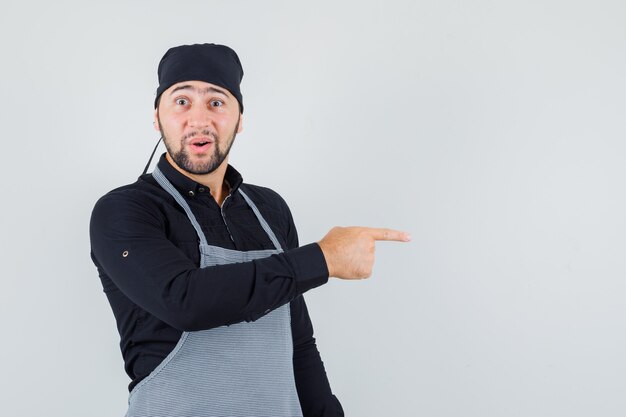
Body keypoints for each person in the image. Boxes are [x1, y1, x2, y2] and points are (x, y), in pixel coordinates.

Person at [89, 43, 410, 417]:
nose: (198, 118)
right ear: (157, 118)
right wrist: (322, 258)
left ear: (239, 119)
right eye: (181, 101)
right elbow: (185, 302)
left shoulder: (269, 210)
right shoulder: (126, 210)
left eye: (216, 102)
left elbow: (298, 343)